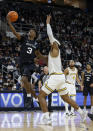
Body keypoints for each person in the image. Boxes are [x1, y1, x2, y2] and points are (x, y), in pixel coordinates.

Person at [35, 15, 89, 124]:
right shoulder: (51, 55)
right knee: (66, 98)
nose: (51, 42)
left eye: (53, 42)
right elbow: (42, 57)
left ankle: (47, 117)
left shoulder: (55, 49)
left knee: (40, 96)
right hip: (60, 78)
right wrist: (35, 50)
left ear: (55, 44)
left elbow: (50, 35)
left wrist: (48, 23)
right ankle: (82, 113)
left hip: (55, 77)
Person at [6, 15, 38, 99]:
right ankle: (36, 98)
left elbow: (37, 55)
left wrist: (36, 60)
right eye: (29, 31)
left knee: (24, 79)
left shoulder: (37, 44)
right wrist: (9, 23)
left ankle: (29, 94)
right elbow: (15, 33)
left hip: (30, 64)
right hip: (22, 64)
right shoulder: (24, 39)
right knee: (25, 82)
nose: (30, 32)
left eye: (32, 31)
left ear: (35, 35)